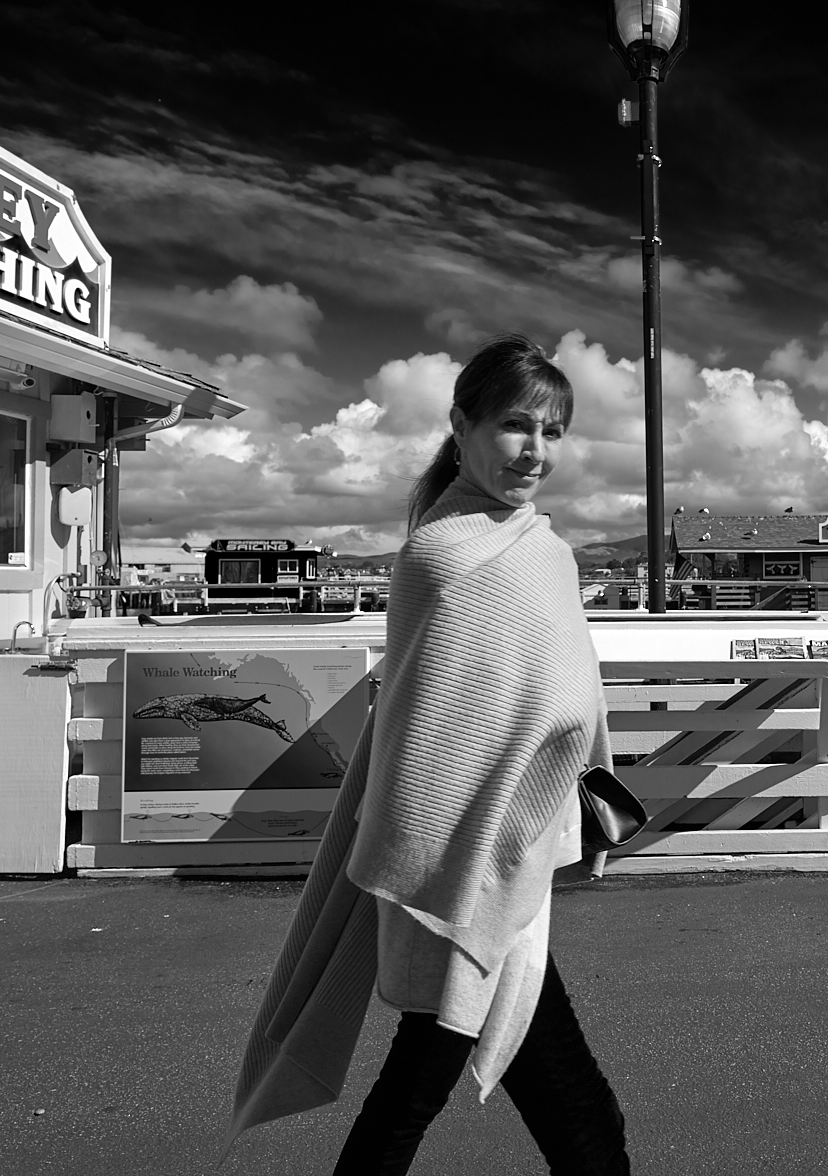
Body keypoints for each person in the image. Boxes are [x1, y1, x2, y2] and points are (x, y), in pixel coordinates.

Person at [228, 335, 630, 1176]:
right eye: (516, 425)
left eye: (553, 432)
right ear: (461, 424)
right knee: (526, 1110)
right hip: (455, 862)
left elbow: (561, 692)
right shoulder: (438, 559)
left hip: (512, 860)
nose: (535, 451)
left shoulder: (547, 551)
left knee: (550, 1109)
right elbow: (430, 730)